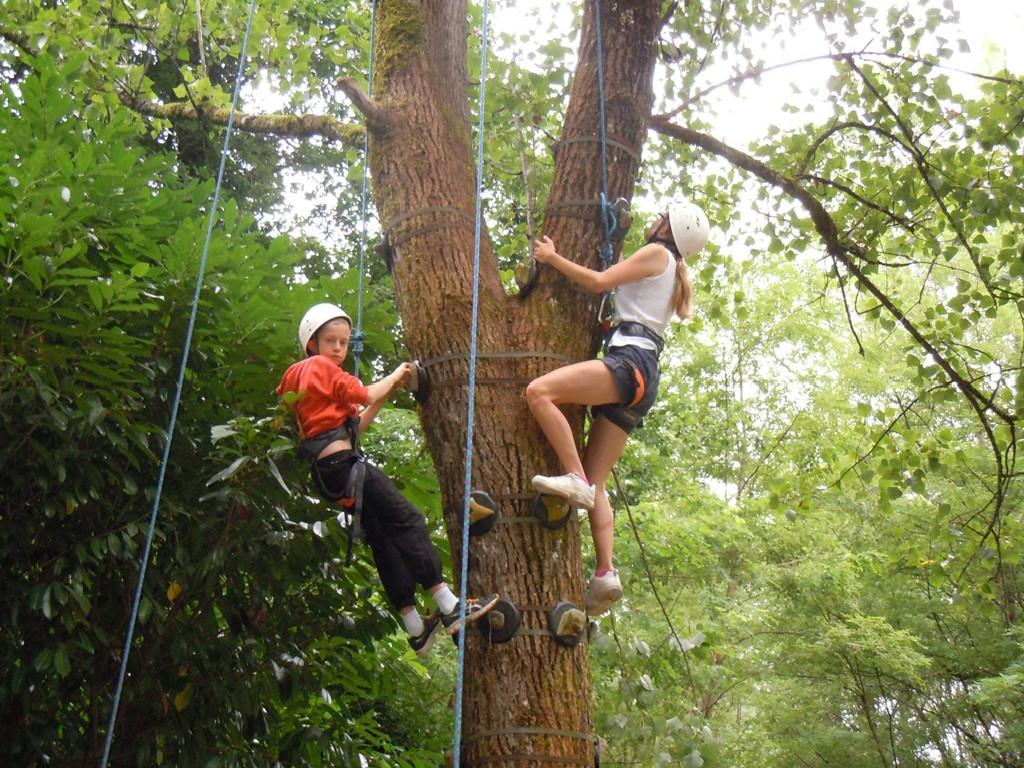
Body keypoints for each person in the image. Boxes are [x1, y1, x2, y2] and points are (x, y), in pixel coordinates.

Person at [277, 303, 498, 656]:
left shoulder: (312, 386)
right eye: (330, 340)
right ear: (312, 344)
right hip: (345, 467)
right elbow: (366, 394)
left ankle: (414, 626)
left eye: (343, 342)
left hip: (332, 472)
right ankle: (448, 604)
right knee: (408, 520)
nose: (337, 348)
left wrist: (388, 391)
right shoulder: (319, 367)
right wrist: (396, 374)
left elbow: (356, 425)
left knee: (384, 538)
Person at [525, 201, 710, 616]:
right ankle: (605, 572)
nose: (653, 220)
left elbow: (597, 282)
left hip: (629, 362)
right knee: (599, 481)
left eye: (659, 217)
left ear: (669, 227)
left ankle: (573, 478)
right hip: (644, 377)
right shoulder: (671, 267)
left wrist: (553, 258)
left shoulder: (659, 254)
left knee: (539, 392)